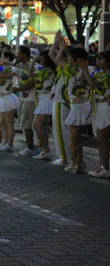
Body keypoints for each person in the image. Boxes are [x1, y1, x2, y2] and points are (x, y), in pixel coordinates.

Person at [50, 34, 91, 174]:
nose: (68, 58)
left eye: (70, 56)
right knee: (78, 136)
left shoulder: (71, 69)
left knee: (73, 138)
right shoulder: (83, 69)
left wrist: (62, 48)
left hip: (76, 106)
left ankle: (74, 164)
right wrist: (65, 48)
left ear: (74, 58)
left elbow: (55, 58)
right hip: (84, 104)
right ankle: (81, 162)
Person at [11, 46, 39, 156]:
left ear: (24, 54)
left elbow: (33, 83)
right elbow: (10, 73)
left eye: (19, 53)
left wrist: (19, 89)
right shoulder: (22, 67)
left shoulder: (32, 66)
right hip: (24, 99)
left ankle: (31, 148)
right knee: (24, 124)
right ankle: (31, 146)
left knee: (27, 124)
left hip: (31, 99)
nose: (17, 55)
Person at [87, 50, 110, 178]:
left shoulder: (107, 75)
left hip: (105, 108)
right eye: (97, 59)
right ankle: (103, 166)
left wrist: (84, 69)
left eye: (101, 59)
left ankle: (105, 167)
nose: (98, 62)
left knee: (102, 139)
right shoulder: (100, 73)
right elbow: (85, 83)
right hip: (99, 107)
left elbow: (91, 84)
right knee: (101, 139)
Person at [31, 51, 58, 160]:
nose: (40, 59)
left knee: (36, 126)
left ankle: (46, 150)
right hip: (45, 98)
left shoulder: (46, 70)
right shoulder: (49, 70)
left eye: (41, 58)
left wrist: (32, 62)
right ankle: (46, 150)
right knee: (43, 126)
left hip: (45, 99)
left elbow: (29, 74)